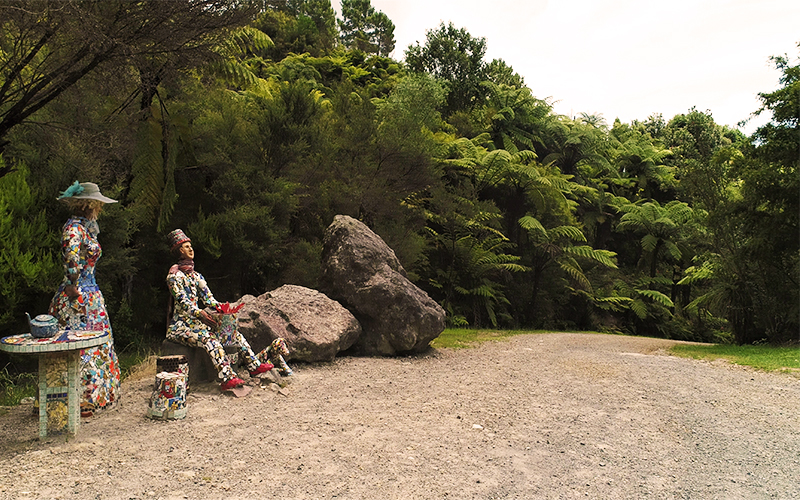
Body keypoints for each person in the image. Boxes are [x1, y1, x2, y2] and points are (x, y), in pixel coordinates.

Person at [165, 229, 272, 391]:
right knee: (210, 340)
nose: (191, 249)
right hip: (181, 327)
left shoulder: (196, 276)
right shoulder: (173, 277)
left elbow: (209, 299)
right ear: (180, 251)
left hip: (197, 324)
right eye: (186, 247)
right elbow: (183, 301)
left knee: (232, 332)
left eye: (191, 246)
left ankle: (253, 365)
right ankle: (226, 378)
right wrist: (199, 313)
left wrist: (224, 310)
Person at [49, 181, 121, 416]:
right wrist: (72, 286)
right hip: (78, 297)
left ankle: (94, 396)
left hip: (90, 294)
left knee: (95, 343)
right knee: (77, 344)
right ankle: (76, 399)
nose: (100, 208)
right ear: (90, 204)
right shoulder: (73, 228)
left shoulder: (85, 227)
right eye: (98, 204)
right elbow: (71, 258)